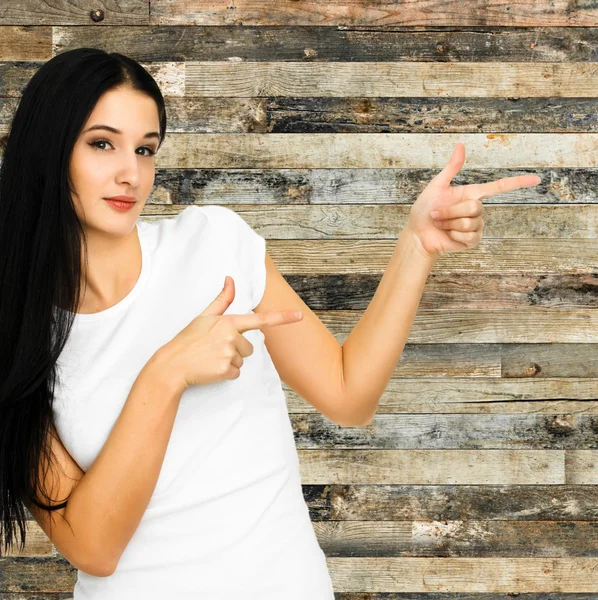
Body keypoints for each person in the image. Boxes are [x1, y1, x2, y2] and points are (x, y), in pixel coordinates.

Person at [0, 47, 542, 598]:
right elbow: (92, 546)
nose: (130, 173)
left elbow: (348, 395)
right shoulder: (17, 333)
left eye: (145, 149)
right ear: (48, 150)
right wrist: (166, 373)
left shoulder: (214, 245)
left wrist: (416, 247)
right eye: (101, 143)